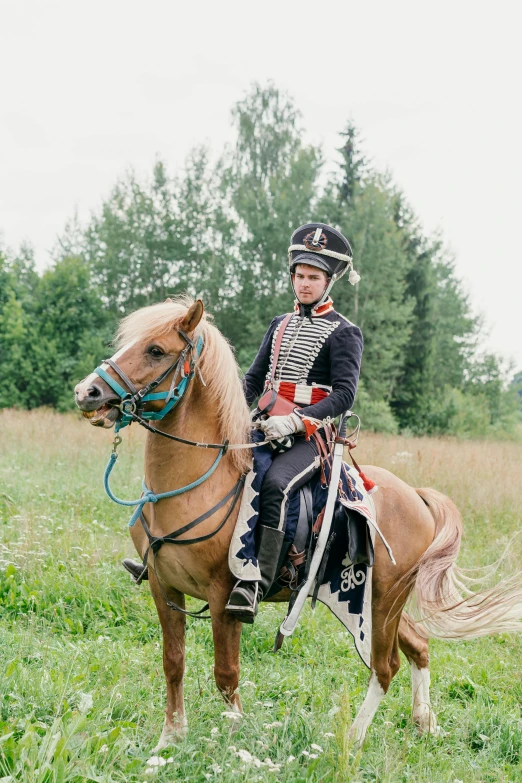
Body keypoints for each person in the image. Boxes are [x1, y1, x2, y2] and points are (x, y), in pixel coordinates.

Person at [225, 222, 363, 622]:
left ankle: (255, 581)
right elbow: (252, 380)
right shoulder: (279, 324)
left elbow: (343, 395)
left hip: (309, 436)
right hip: (262, 423)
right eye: (299, 276)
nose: (304, 284)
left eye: (313, 277)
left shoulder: (344, 332)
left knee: (275, 484)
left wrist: (299, 421)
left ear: (328, 281)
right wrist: (232, 412)